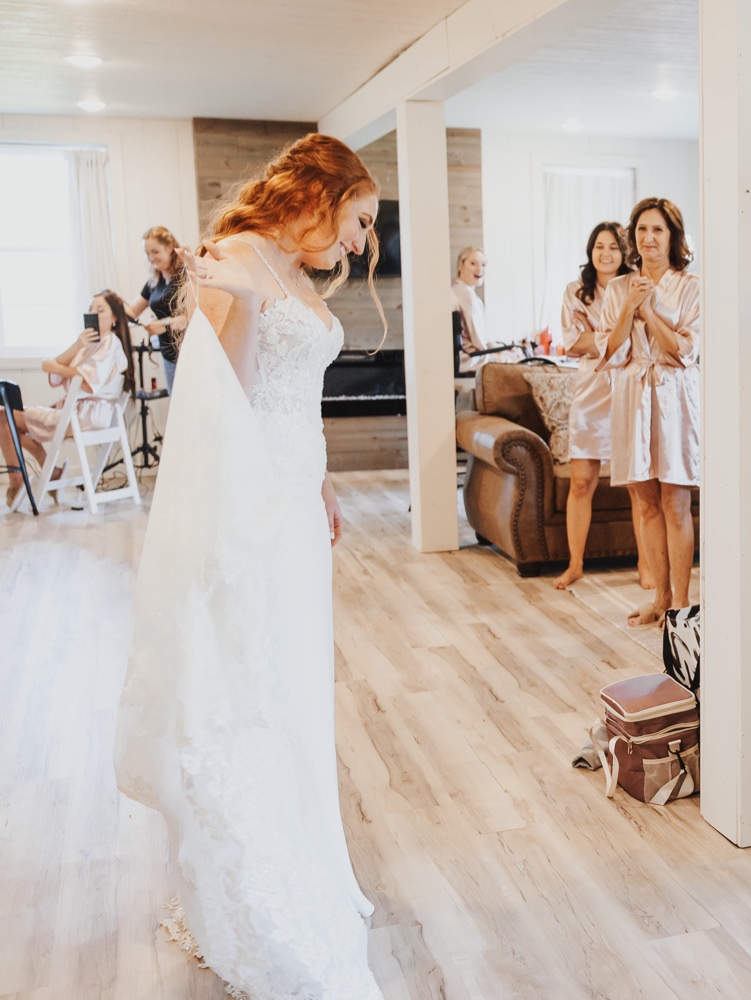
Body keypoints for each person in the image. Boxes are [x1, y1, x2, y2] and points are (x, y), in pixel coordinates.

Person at [114, 134, 384, 997]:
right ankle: (253, 876)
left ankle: (304, 841)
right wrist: (240, 304)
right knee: (251, 675)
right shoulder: (235, 257)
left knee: (297, 676)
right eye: (360, 220)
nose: (362, 244)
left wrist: (324, 478)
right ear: (320, 195)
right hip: (251, 501)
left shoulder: (296, 270)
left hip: (297, 497)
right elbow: (226, 397)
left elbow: (294, 396)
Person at [600, 198, 700, 626]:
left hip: (675, 396)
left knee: (675, 502)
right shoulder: (617, 288)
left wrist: (648, 311)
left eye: (658, 229)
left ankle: (681, 605)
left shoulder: (691, 287)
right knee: (645, 503)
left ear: (672, 236)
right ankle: (659, 598)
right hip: (632, 394)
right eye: (642, 229)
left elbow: (684, 351)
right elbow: (608, 350)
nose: (649, 238)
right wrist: (629, 306)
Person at [553, 221, 648, 590]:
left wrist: (603, 339)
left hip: (628, 387)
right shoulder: (576, 291)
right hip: (591, 391)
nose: (605, 253)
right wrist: (617, 337)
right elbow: (574, 343)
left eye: (613, 247)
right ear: (590, 251)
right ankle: (575, 564)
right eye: (599, 247)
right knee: (581, 481)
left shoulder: (636, 286)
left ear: (624, 253)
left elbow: (638, 340)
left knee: (637, 485)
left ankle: (646, 565)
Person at [3, 291, 135, 508]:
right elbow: (54, 372)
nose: (93, 314)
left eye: (100, 310)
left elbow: (86, 381)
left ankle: (19, 482)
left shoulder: (110, 342)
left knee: (4, 417)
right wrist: (77, 345)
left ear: (115, 318)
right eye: (90, 309)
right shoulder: (90, 344)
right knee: (7, 422)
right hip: (78, 412)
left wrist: (55, 366)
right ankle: (49, 472)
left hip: (86, 415)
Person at [125, 226, 188, 391]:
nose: (151, 258)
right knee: (175, 402)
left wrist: (165, 325)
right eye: (147, 253)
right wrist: (111, 306)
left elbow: (192, 316)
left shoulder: (186, 275)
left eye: (155, 251)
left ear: (169, 247)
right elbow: (132, 312)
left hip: (189, 352)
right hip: (168, 355)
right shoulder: (154, 282)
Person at [451, 246, 499, 371]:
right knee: (516, 359)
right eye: (473, 263)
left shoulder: (456, 291)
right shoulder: (468, 297)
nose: (480, 269)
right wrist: (502, 352)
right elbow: (480, 343)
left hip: (466, 358)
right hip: (470, 359)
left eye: (483, 265)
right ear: (460, 266)